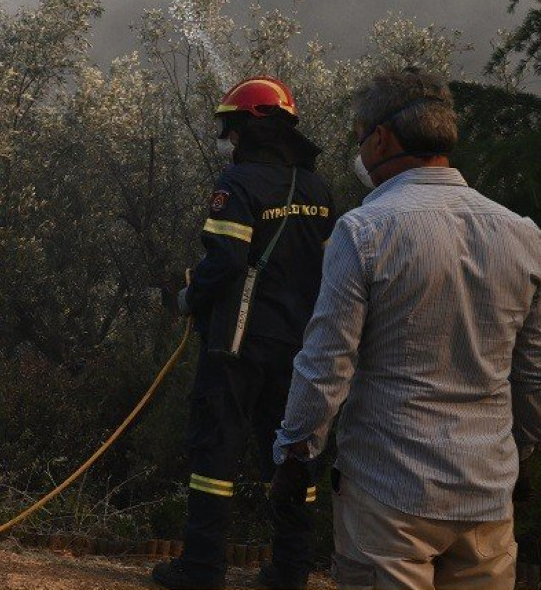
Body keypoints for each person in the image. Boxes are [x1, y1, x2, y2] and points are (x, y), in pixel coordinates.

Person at [275, 70, 541, 590]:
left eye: (359, 137)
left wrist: (296, 451)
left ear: (380, 138)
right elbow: (532, 374)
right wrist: (522, 451)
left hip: (387, 491)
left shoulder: (363, 232)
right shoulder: (523, 234)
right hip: (487, 490)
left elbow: (327, 362)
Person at [152, 76, 335, 590]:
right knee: (291, 457)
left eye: (230, 129)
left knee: (216, 451)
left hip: (236, 345)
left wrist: (191, 297)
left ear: (252, 128)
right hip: (301, 349)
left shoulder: (236, 185)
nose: (228, 141)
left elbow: (227, 261)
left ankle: (202, 568)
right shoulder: (319, 190)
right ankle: (292, 571)